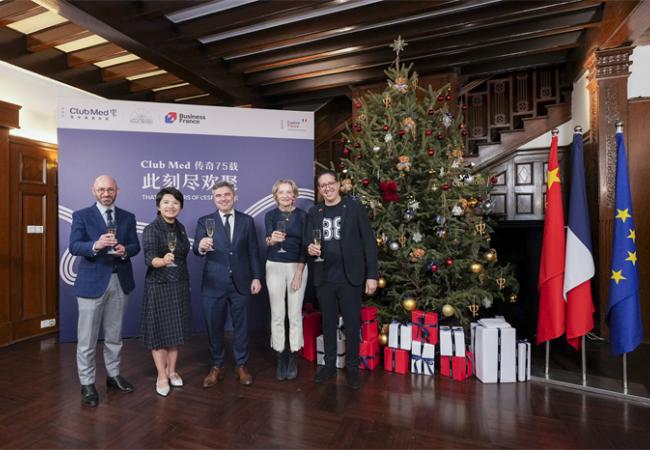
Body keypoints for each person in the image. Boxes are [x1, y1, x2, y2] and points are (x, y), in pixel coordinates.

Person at [69, 175, 141, 407]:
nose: (106, 193)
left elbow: (135, 246)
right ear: (93, 191)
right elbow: (74, 246)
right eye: (101, 189)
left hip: (120, 281)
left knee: (114, 335)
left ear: (117, 191)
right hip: (91, 284)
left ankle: (113, 375)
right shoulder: (81, 215)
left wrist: (124, 250)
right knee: (87, 339)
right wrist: (96, 245)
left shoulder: (128, 217)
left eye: (110, 189)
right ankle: (87, 383)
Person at [306, 170, 378, 389]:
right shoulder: (314, 211)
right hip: (325, 277)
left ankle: (353, 367)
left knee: (352, 323)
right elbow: (308, 241)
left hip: (350, 277)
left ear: (338, 185)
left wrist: (372, 275)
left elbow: (369, 242)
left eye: (331, 183)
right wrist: (309, 248)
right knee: (328, 323)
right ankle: (329, 365)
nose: (327, 188)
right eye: (323, 185)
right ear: (319, 190)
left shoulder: (353, 207)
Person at [194, 181, 262, 387]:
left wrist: (256, 277)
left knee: (242, 326)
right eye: (218, 196)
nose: (223, 199)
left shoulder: (247, 221)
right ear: (213, 199)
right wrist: (201, 246)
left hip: (241, 282)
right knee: (214, 326)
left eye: (227, 195)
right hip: (213, 283)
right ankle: (217, 366)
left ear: (234, 196)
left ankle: (241, 365)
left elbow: (253, 251)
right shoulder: (204, 221)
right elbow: (196, 250)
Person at [140, 187, 192, 397]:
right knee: (159, 333)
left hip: (178, 283)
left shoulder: (180, 228)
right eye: (166, 202)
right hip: (159, 285)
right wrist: (162, 261)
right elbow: (149, 258)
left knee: (174, 331)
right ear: (158, 206)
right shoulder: (152, 229)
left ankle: (172, 371)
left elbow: (183, 255)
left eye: (175, 203)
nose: (171, 206)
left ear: (181, 207)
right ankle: (161, 375)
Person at [264, 179, 308, 381]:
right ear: (276, 196)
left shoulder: (303, 216)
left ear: (294, 195)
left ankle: (293, 356)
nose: (285, 195)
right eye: (281, 192)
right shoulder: (270, 215)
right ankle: (280, 355)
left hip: (297, 267)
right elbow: (268, 239)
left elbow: (305, 246)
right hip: (274, 265)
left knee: (294, 314)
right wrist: (272, 240)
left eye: (289, 192)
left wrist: (298, 273)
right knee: (277, 314)